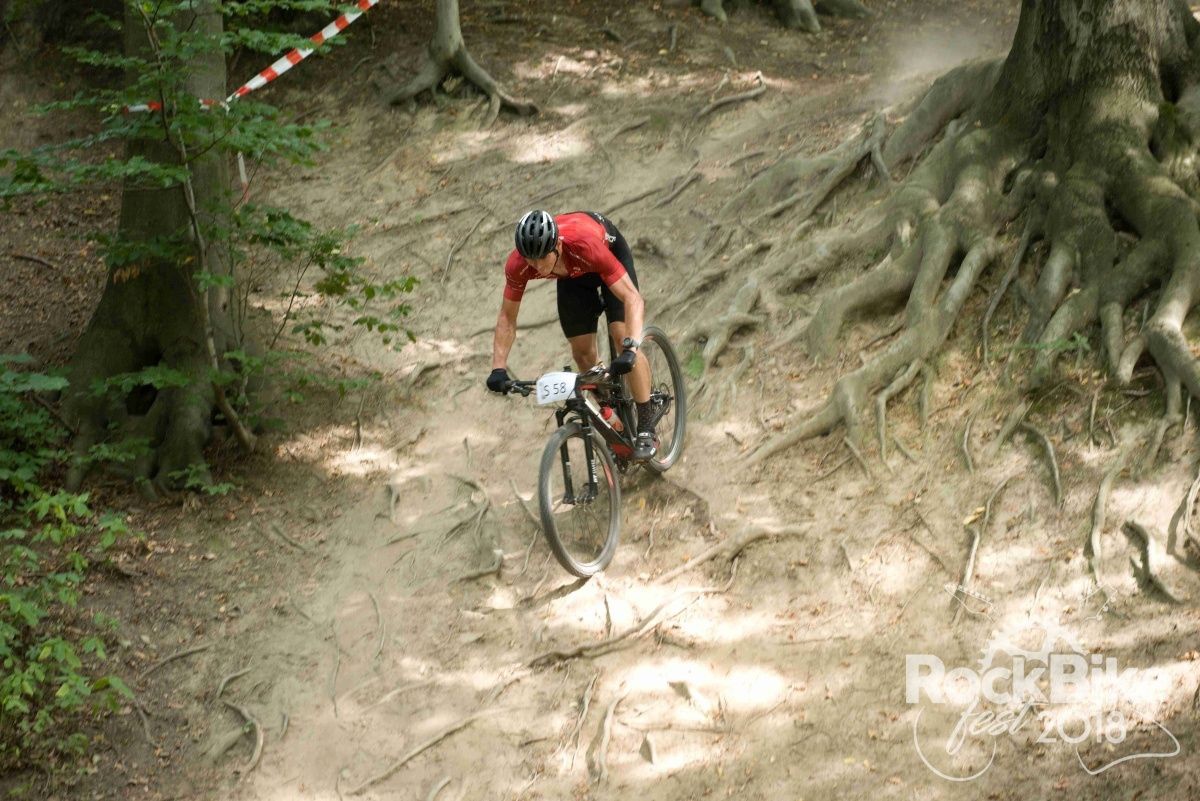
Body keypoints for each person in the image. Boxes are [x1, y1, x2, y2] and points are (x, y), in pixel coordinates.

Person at [487, 209, 661, 460]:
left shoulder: (585, 246)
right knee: (582, 351)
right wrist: (498, 368)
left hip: (605, 256)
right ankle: (610, 412)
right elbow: (507, 318)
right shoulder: (519, 264)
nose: (537, 266)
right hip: (571, 275)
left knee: (620, 335)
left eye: (541, 258)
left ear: (557, 245)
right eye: (531, 260)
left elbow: (632, 298)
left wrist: (631, 348)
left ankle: (646, 425)